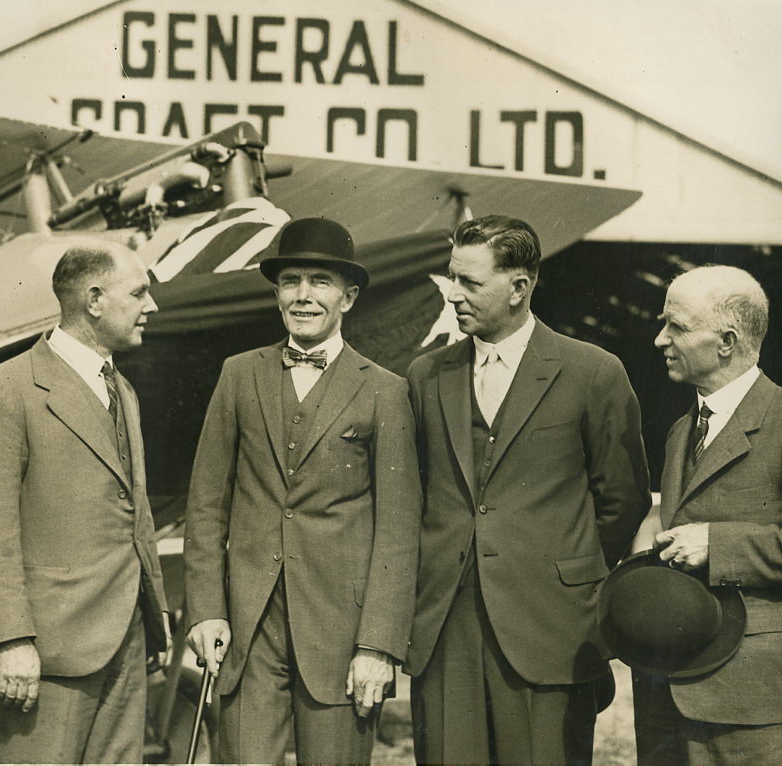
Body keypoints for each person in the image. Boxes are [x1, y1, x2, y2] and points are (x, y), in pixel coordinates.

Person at [405, 214, 650, 765]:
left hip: (550, 632)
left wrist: (559, 573)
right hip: (447, 629)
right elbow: (417, 492)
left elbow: (624, 499)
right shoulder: (426, 376)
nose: (453, 296)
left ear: (519, 287)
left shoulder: (593, 372)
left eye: (470, 283)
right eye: (451, 279)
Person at [184, 217, 421, 764]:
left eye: (320, 281)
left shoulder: (386, 391)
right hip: (247, 633)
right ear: (276, 291)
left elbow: (398, 532)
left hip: (341, 639)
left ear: (348, 297)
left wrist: (378, 646)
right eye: (290, 281)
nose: (304, 295)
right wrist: (205, 611)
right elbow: (205, 507)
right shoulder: (238, 375)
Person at [0, 244, 170, 764]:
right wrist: (10, 641)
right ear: (94, 300)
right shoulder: (4, 390)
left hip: (126, 640)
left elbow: (136, 515)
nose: (153, 306)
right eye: (139, 292)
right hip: (47, 654)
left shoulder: (123, 390)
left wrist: (155, 615)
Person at [633, 264, 782, 763]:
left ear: (726, 341)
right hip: (668, 689)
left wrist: (716, 545)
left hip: (751, 703)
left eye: (676, 326)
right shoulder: (682, 430)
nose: (660, 340)